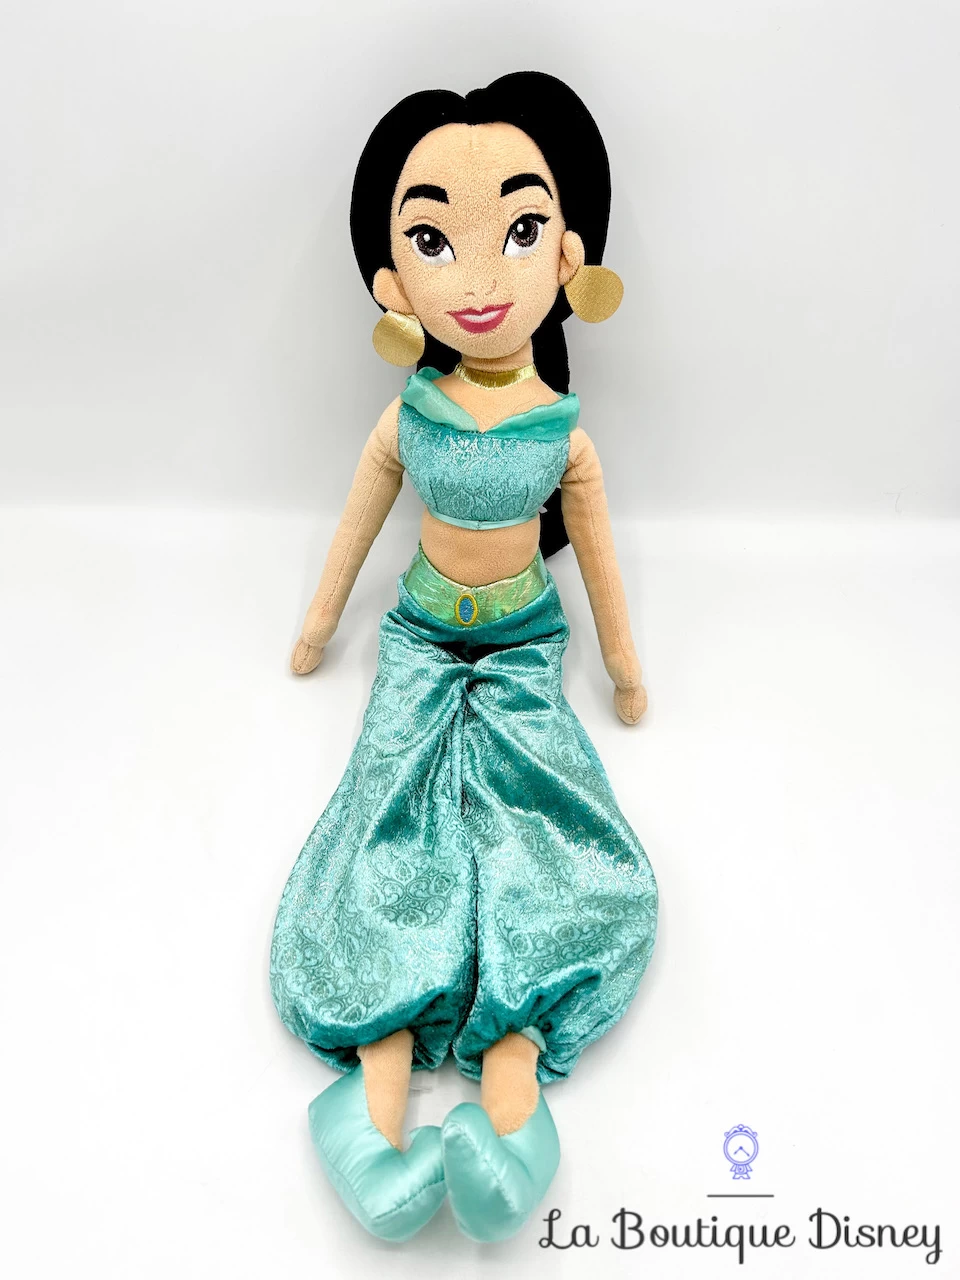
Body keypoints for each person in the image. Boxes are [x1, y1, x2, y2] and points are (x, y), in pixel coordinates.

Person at [270, 71, 658, 1243]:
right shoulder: (410, 416)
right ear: (393, 281)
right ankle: (373, 1093)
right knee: (388, 814)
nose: (480, 278)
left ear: (569, 255)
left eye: (520, 231)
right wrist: (320, 623)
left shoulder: (564, 434)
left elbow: (597, 557)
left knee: (545, 822)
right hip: (421, 637)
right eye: (435, 239)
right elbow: (356, 526)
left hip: (527, 644)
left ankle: (512, 1096)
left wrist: (623, 664)